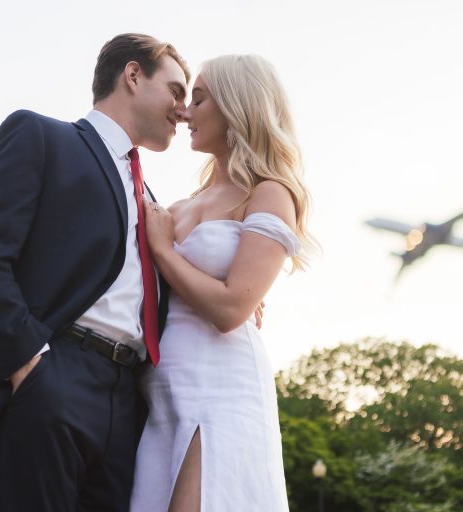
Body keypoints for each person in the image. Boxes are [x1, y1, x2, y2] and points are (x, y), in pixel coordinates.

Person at [0, 33, 191, 511]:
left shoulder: (153, 203)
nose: (183, 110)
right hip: (50, 376)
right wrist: (29, 364)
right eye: (177, 91)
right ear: (133, 75)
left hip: (128, 404)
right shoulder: (41, 137)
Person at [130, 54, 315, 512]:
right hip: (161, 391)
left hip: (222, 388)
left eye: (200, 98)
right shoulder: (175, 206)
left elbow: (232, 309)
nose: (184, 112)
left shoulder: (269, 192)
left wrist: (166, 252)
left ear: (237, 106)